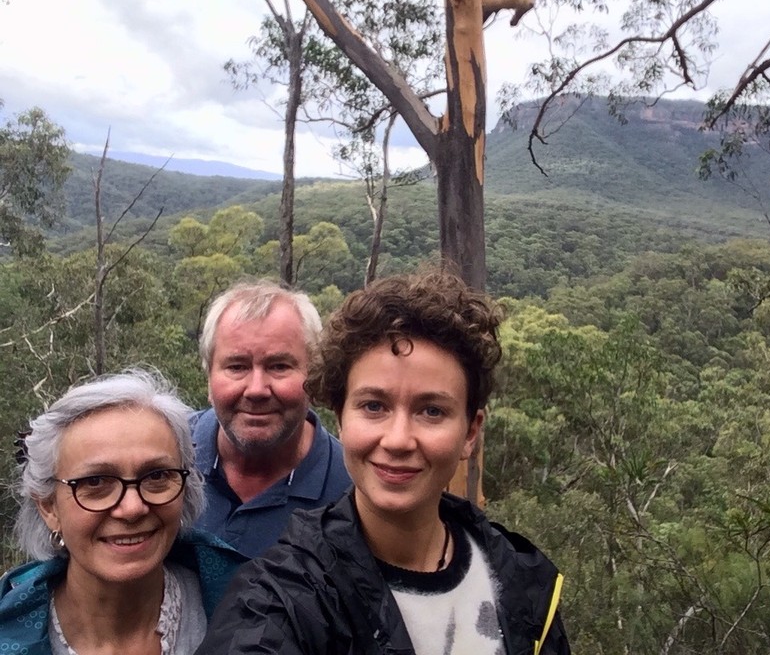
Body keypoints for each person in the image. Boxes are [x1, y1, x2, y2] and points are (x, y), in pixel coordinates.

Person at [198, 269, 570, 655]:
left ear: (471, 433)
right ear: (340, 418)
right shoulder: (283, 594)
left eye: (431, 411)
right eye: (374, 406)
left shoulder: (524, 584)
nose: (397, 440)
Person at [0, 369, 247, 654]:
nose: (132, 509)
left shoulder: (249, 606)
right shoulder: (11, 634)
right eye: (95, 482)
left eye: (156, 476)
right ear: (48, 505)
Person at [191, 280, 352, 557]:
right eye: (237, 366)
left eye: (279, 366)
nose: (256, 390)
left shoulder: (353, 493)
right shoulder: (162, 461)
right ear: (209, 380)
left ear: (313, 377)